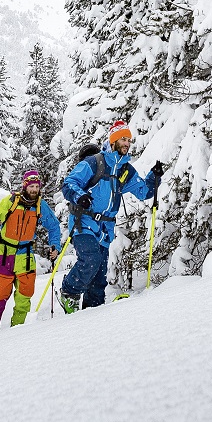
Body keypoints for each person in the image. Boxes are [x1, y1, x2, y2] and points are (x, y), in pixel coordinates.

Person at [58, 120, 164, 313]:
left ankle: (93, 314)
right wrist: (80, 196)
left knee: (99, 279)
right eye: (123, 139)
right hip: (84, 222)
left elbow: (143, 192)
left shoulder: (126, 170)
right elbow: (69, 183)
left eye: (129, 140)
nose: (126, 143)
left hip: (105, 229)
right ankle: (68, 292)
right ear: (113, 140)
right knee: (91, 259)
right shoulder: (94, 162)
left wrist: (153, 178)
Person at [0, 169, 63, 331]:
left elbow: (53, 226)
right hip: (5, 254)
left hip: (25, 255)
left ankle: (17, 331)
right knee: (0, 295)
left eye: (36, 187)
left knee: (25, 295)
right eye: (31, 186)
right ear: (25, 186)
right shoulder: (11, 201)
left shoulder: (40, 205)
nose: (34, 190)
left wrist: (55, 246)